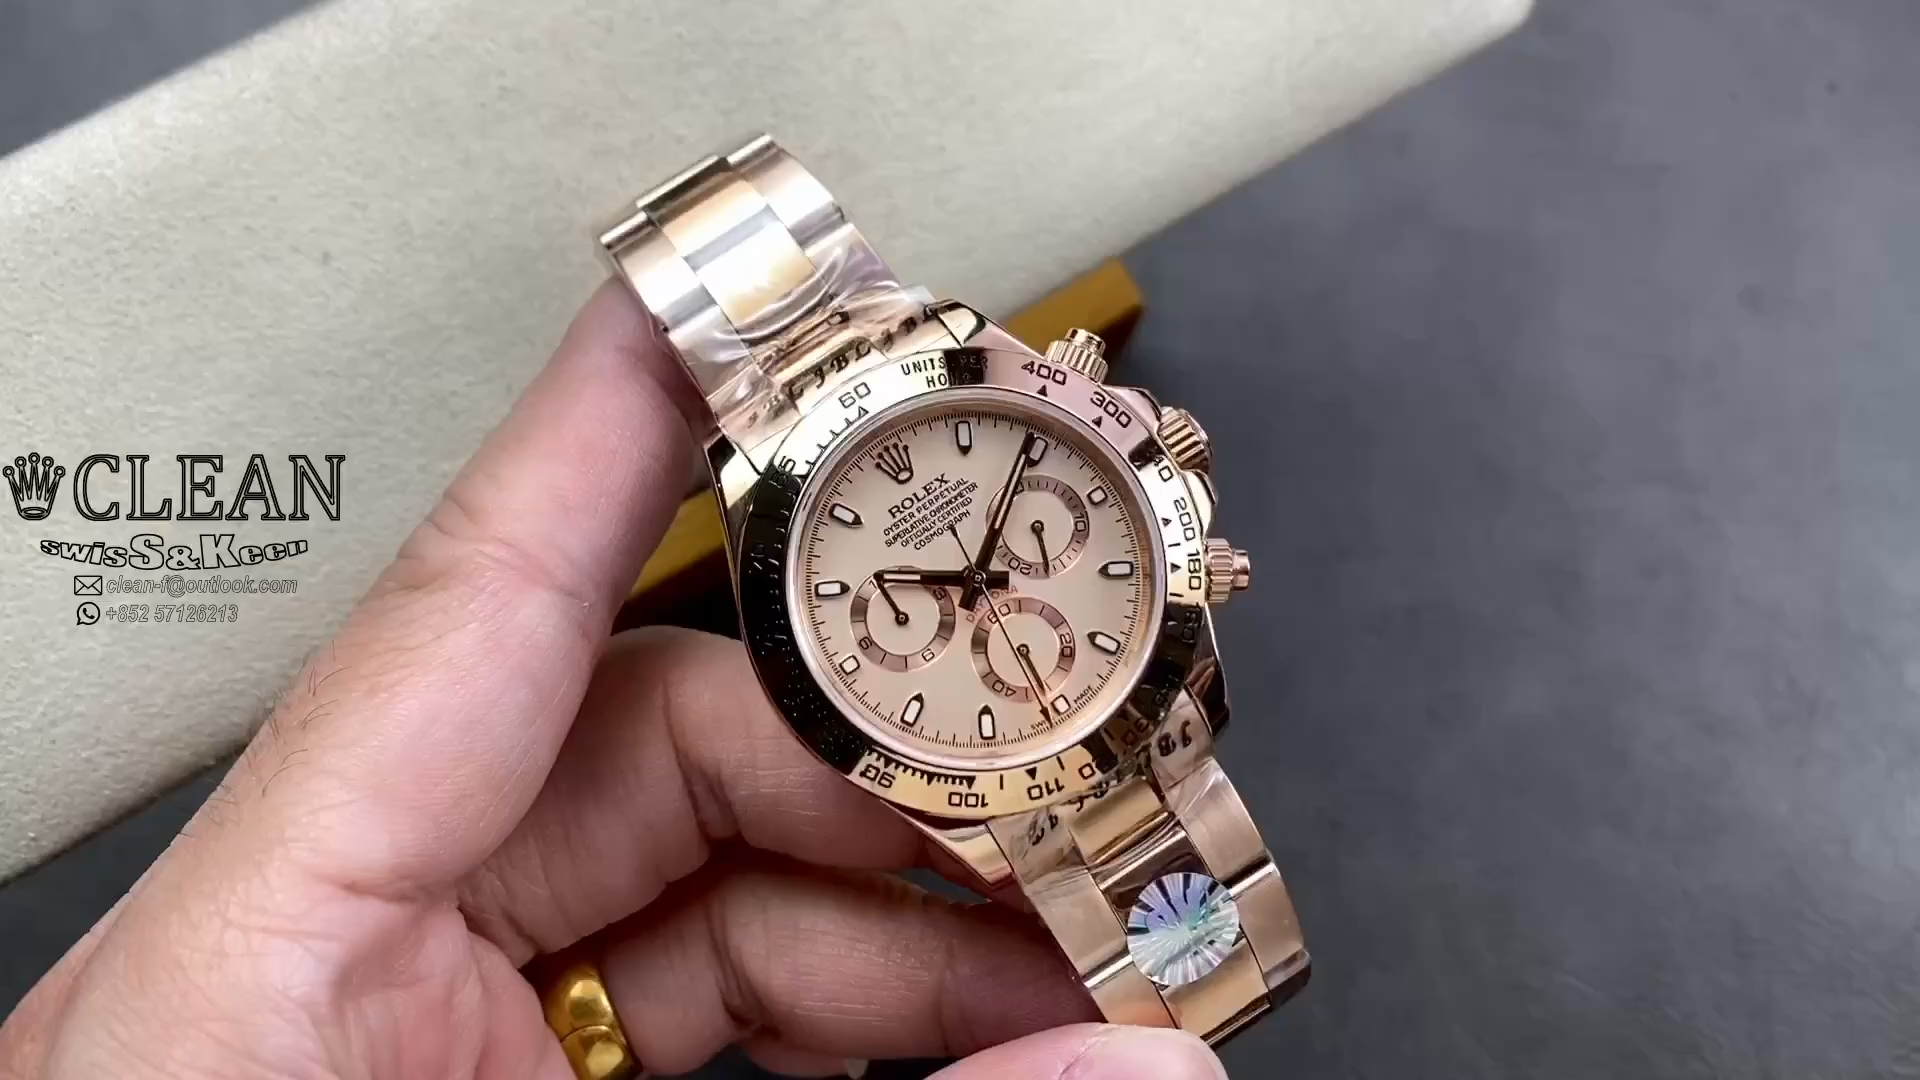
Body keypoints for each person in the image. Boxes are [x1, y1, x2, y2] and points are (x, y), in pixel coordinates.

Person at [0, 285, 1229, 1080]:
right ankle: (1211, 964)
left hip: (1118, 705)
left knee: (1178, 972)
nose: (971, 585)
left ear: (1154, 473)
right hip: (987, 754)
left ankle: (1214, 961)